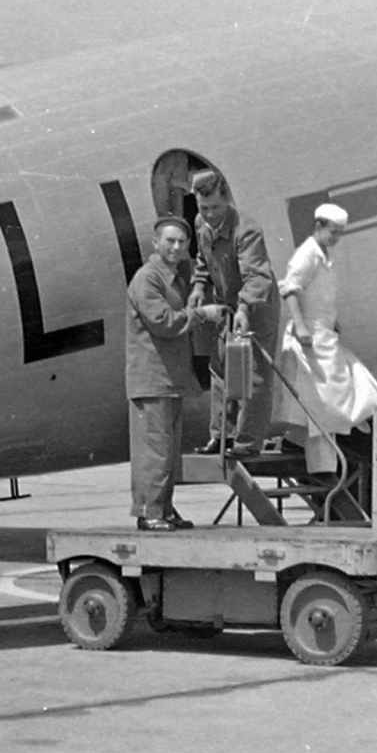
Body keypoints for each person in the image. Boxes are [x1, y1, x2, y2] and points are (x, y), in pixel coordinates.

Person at [127, 217, 226, 531]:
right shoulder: (148, 279)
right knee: (155, 450)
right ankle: (150, 513)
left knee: (167, 450)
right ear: (155, 243)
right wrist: (201, 314)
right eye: (169, 241)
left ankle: (164, 510)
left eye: (182, 242)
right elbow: (163, 322)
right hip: (153, 379)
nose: (176, 247)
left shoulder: (171, 278)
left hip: (168, 379)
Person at [274, 203, 377, 473]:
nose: (336, 237)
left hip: (324, 334)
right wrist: (300, 326)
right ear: (318, 227)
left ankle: (306, 446)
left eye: (340, 233)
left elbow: (319, 295)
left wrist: (332, 321)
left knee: (351, 390)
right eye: (333, 232)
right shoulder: (307, 254)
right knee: (322, 403)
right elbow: (290, 289)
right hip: (309, 337)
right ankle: (321, 466)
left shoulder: (324, 254)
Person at [188, 170, 280, 458]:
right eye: (204, 208)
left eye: (215, 208)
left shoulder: (246, 230)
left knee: (254, 376)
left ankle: (247, 442)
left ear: (227, 200)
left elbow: (257, 277)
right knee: (220, 368)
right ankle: (221, 437)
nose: (210, 214)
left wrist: (243, 308)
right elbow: (204, 260)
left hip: (256, 306)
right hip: (225, 303)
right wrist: (199, 287)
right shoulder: (201, 223)